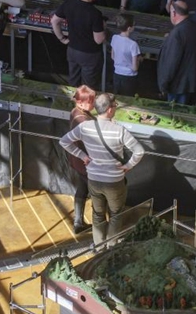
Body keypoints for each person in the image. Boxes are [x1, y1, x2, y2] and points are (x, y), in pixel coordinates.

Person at [60, 93, 145, 246]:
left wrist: (83, 156)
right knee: (116, 215)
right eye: (115, 105)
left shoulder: (84, 127)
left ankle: (99, 248)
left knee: (97, 214)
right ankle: (111, 247)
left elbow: (64, 141)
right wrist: (128, 165)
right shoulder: (119, 130)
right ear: (110, 110)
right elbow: (139, 151)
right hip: (115, 182)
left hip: (93, 180)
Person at [51, 0, 106, 89]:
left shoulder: (69, 2)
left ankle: (73, 100)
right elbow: (99, 39)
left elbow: (54, 21)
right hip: (90, 55)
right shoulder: (95, 13)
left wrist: (62, 38)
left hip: (72, 50)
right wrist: (104, 27)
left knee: (73, 84)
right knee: (88, 89)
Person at [157, 1, 196, 104]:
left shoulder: (177, 34)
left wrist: (163, 85)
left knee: (176, 111)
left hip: (179, 85)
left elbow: (171, 63)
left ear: (174, 13)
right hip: (194, 81)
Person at [68, 85, 96, 234]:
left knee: (82, 187)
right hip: (86, 162)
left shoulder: (75, 112)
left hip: (78, 161)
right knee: (96, 193)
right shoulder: (82, 119)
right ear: (81, 102)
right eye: (91, 101)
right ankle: (99, 226)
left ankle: (78, 222)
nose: (94, 103)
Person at [111, 13, 141, 96]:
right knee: (129, 98)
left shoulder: (114, 38)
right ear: (129, 28)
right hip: (129, 77)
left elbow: (113, 56)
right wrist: (139, 60)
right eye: (134, 25)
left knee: (117, 97)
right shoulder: (133, 44)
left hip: (117, 74)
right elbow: (135, 68)